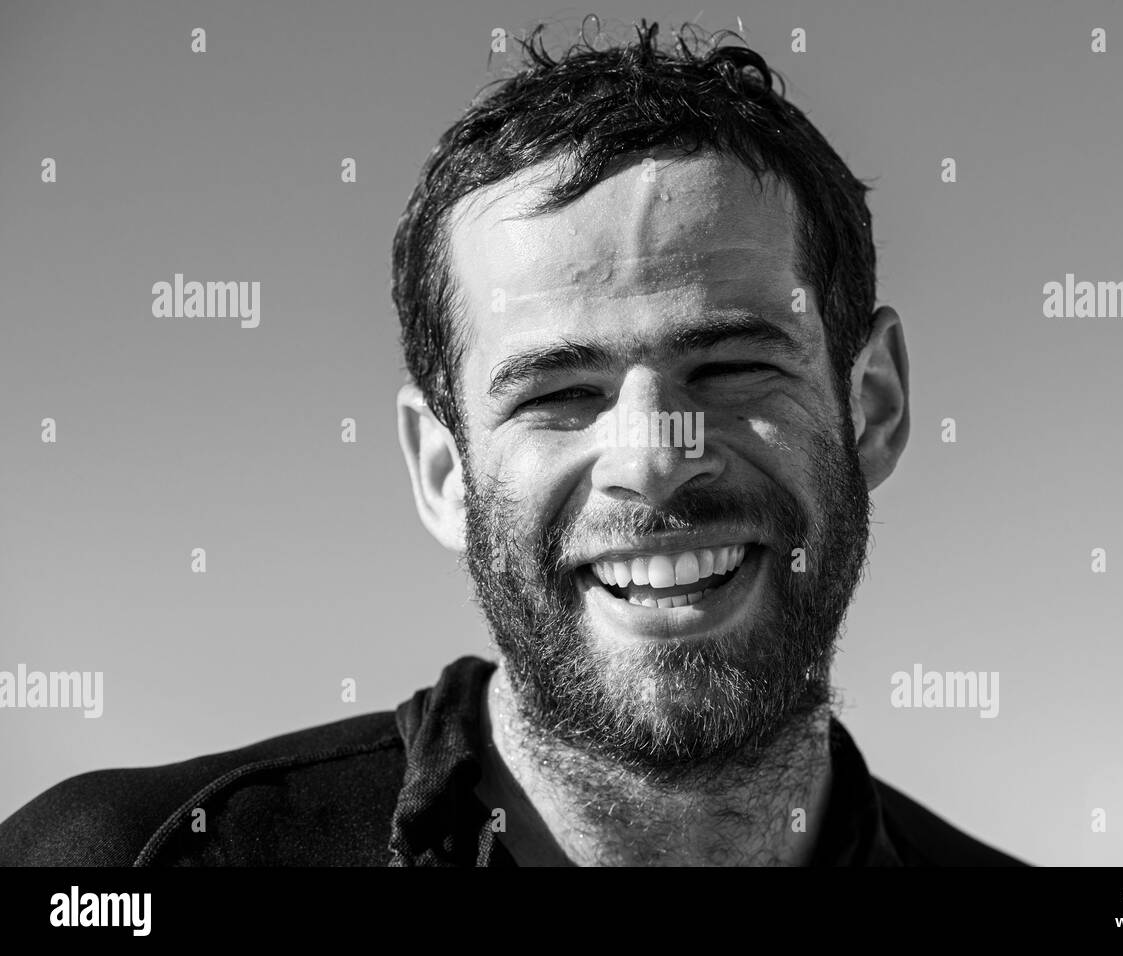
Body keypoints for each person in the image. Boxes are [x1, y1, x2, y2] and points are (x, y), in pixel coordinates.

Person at [0, 20, 1024, 867]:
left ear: (873, 402)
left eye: (730, 368)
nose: (652, 459)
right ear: (441, 468)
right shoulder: (112, 864)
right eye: (561, 392)